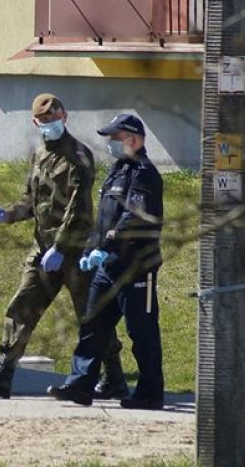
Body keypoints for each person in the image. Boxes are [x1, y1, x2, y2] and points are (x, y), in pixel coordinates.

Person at [0, 94, 128, 400]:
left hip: (75, 251)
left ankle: (114, 377)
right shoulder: (40, 154)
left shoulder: (78, 156)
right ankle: (3, 374)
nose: (51, 124)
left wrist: (62, 248)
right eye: (45, 121)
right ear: (35, 123)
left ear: (64, 117)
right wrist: (9, 214)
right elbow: (32, 199)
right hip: (44, 249)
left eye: (56, 118)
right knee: (21, 307)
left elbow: (79, 210)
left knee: (91, 316)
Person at [47, 113, 165, 410]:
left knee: (142, 331)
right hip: (108, 266)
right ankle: (80, 385)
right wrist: (90, 250)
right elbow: (104, 220)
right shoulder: (117, 172)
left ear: (134, 140)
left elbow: (133, 218)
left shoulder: (144, 173)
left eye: (115, 138)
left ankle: (150, 393)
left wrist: (108, 244)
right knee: (93, 326)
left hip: (136, 265)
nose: (110, 144)